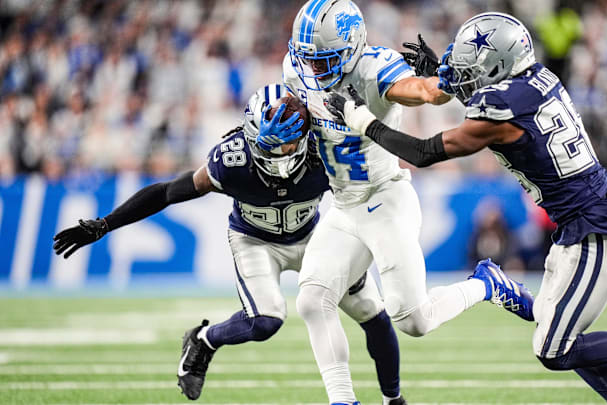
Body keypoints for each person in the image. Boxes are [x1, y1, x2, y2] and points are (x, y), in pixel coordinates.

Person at [325, 12, 607, 405]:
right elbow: (494, 98)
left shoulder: (500, 110)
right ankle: (502, 288)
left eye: (474, 67)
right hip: (584, 218)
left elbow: (422, 153)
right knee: (555, 330)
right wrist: (443, 72)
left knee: (555, 348)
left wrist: (363, 121)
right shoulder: (536, 76)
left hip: (594, 228)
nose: (465, 74)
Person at [52, 83, 407, 404]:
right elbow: (167, 192)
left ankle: (393, 399)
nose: (280, 154)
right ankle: (204, 339)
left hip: (315, 235)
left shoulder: (324, 151)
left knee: (372, 313)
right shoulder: (230, 161)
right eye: (270, 145)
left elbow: (371, 189)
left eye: (287, 143)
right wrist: (106, 223)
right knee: (266, 320)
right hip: (255, 241)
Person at [257, 2, 534, 404]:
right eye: (308, 60)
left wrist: (441, 80)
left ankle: (485, 284)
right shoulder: (297, 68)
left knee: (413, 320)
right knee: (312, 299)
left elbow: (424, 92)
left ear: (351, 47)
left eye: (324, 61)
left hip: (385, 197)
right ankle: (343, 400)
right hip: (344, 205)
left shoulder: (373, 67)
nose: (314, 70)